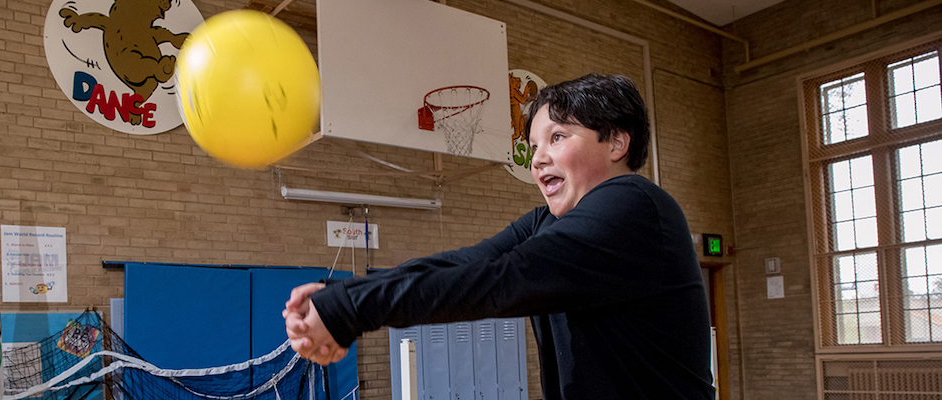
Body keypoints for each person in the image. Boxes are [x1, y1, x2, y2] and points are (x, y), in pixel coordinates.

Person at [282, 74, 715, 399]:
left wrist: (350, 309)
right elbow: (466, 264)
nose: (538, 159)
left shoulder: (635, 204)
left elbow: (505, 279)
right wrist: (342, 297)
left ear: (618, 142)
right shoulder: (544, 222)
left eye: (558, 137)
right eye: (533, 146)